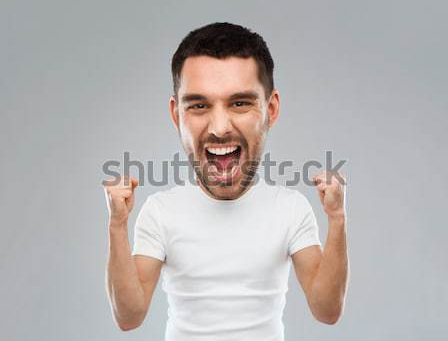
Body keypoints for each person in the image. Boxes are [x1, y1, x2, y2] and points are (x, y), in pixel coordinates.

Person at [103, 22, 348, 341]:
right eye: (200, 105)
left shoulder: (290, 209)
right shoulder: (160, 212)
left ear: (270, 109)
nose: (219, 127)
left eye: (240, 102)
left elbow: (326, 310)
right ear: (177, 115)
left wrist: (338, 219)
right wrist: (117, 225)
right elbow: (129, 316)